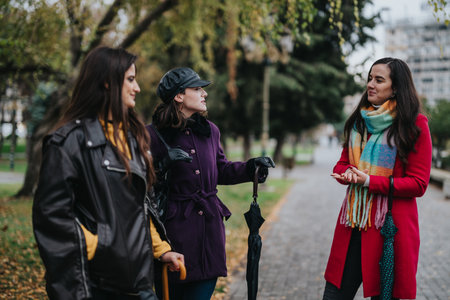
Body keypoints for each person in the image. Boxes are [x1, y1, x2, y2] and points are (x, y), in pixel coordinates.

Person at [32, 46, 184, 300]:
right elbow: (51, 217)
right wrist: (100, 247)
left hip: (140, 283)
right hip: (96, 286)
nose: (137, 88)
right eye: (130, 80)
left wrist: (161, 250)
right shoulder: (69, 142)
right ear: (106, 82)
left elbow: (140, 206)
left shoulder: (133, 139)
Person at [146, 67, 275, 300]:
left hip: (209, 231)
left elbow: (220, 170)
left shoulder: (210, 131)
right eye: (197, 89)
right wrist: (161, 165)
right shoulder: (151, 135)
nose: (204, 94)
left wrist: (251, 168)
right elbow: (138, 185)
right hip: (174, 234)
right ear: (179, 96)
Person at [322, 57, 432, 300]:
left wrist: (370, 181)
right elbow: (342, 164)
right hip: (353, 224)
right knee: (333, 294)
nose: (371, 84)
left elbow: (419, 183)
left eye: (379, 80)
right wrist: (348, 174)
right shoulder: (359, 122)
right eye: (370, 79)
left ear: (396, 88)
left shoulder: (414, 124)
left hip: (389, 231)